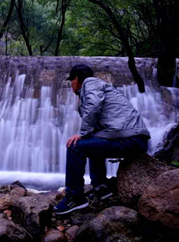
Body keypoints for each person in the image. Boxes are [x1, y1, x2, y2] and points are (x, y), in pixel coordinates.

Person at [54, 64, 150, 215]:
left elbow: (94, 105)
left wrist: (82, 133)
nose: (71, 84)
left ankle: (74, 197)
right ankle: (101, 187)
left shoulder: (91, 83)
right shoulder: (100, 88)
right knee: (92, 141)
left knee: (75, 146)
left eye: (71, 80)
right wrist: (87, 134)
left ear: (77, 79)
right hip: (135, 139)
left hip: (130, 139)